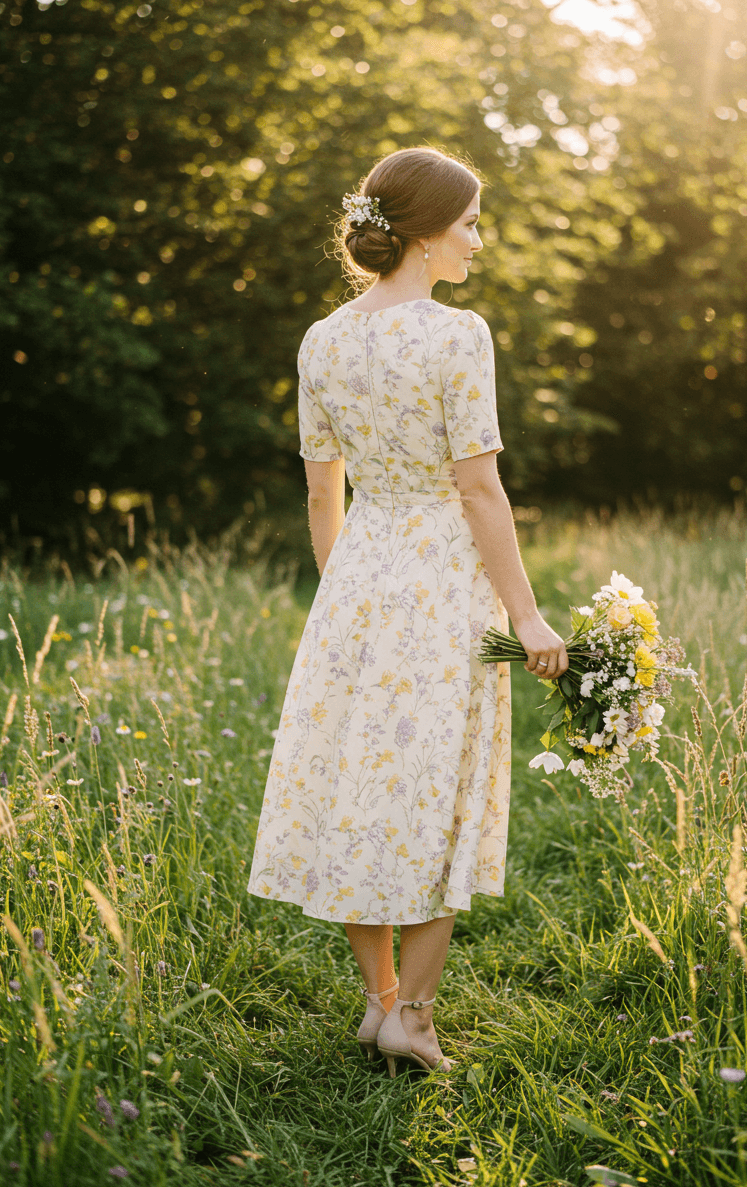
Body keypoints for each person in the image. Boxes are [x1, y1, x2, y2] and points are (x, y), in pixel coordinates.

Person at [248, 147, 568, 1075]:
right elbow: (479, 491)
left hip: (357, 576)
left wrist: (340, 591)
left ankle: (381, 1004)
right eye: (471, 222)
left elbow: (321, 494)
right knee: (438, 792)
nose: (479, 238)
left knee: (363, 786)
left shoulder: (322, 340)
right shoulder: (456, 334)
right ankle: (415, 1020)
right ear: (425, 237)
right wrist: (529, 614)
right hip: (440, 581)